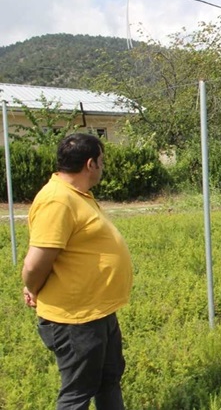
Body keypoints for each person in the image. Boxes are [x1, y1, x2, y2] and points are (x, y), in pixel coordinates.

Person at [21, 133, 133, 409]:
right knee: (78, 392)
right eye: (102, 162)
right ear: (90, 164)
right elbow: (35, 263)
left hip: (98, 311)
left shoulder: (77, 195)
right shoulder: (57, 200)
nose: (103, 167)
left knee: (109, 379)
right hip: (76, 319)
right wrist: (32, 288)